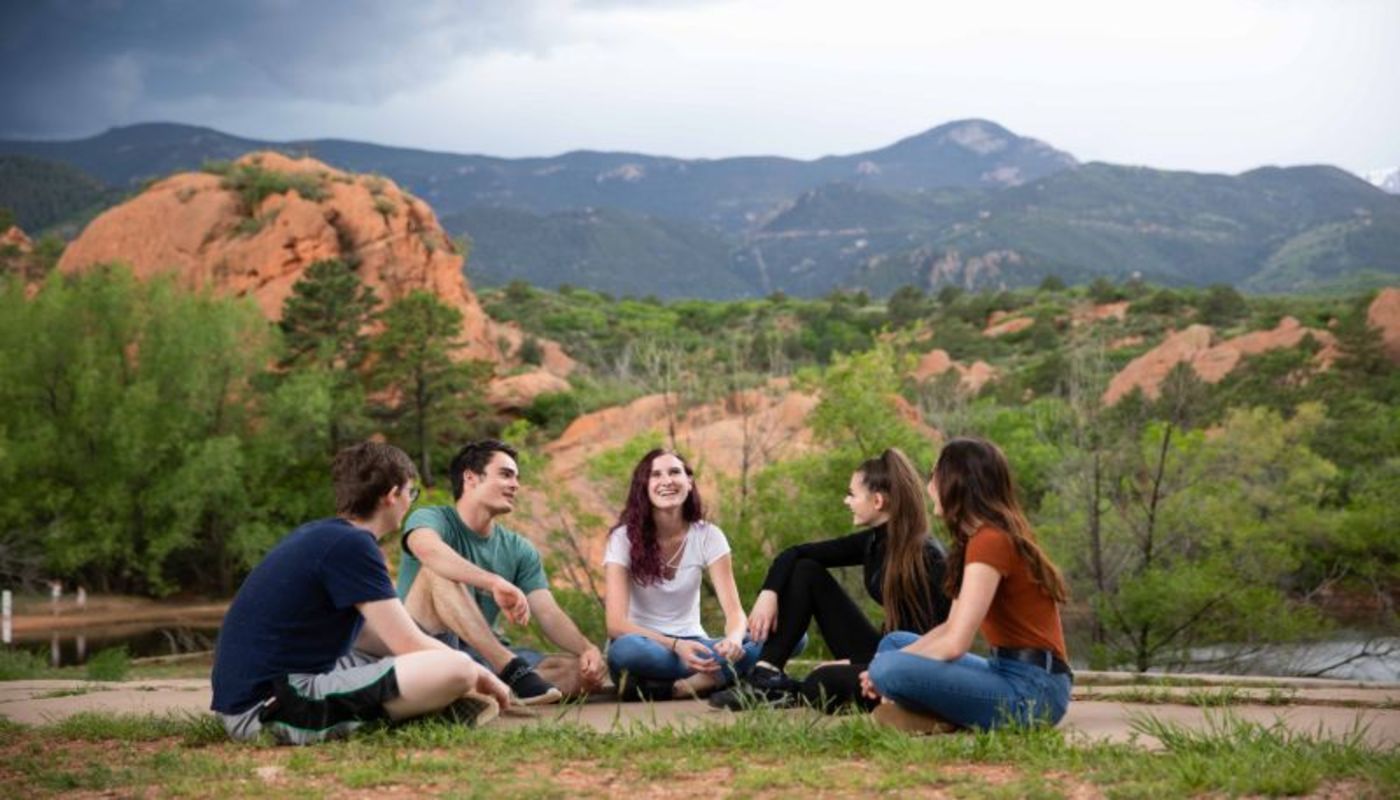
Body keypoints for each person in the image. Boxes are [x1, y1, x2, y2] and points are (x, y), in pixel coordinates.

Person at [211, 442, 511, 745]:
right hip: (270, 708)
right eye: (411, 493)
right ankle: (432, 707)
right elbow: (406, 643)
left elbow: (367, 636)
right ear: (392, 495)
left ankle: (434, 699)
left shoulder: (328, 535)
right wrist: (478, 673)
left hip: (261, 695)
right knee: (457, 669)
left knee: (439, 663)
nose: (410, 502)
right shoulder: (353, 545)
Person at [710, 447, 951, 711]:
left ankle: (786, 690)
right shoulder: (875, 541)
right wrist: (769, 593)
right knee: (805, 570)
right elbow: (795, 553)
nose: (847, 501)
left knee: (822, 682)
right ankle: (765, 676)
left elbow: (929, 640)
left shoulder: (925, 556)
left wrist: (859, 663)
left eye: (852, 494)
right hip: (885, 653)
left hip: (914, 665)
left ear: (877, 501)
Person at [862, 437, 1073, 732]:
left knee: (887, 666)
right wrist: (892, 661)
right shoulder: (977, 539)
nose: (929, 487)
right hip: (1005, 670)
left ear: (956, 482)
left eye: (934, 475)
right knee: (894, 644)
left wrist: (880, 671)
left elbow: (955, 644)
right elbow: (949, 627)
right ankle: (941, 717)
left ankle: (941, 714)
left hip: (1035, 693)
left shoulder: (991, 541)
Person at [398, 439, 607, 705]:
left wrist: (587, 648)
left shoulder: (519, 548)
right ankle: (507, 671)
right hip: (424, 644)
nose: (515, 484)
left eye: (516, 477)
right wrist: (493, 582)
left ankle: (485, 687)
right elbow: (428, 550)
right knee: (436, 571)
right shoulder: (431, 518)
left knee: (580, 670)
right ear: (471, 478)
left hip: (481, 652)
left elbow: (547, 611)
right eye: (506, 474)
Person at [604, 449, 796, 700]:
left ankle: (689, 683)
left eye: (675, 472)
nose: (667, 481)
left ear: (689, 481)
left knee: (793, 631)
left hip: (698, 644)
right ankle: (723, 674)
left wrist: (734, 640)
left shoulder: (708, 535)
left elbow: (735, 613)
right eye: (656, 475)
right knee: (625, 651)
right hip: (648, 646)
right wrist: (676, 645)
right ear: (643, 486)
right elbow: (616, 625)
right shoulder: (623, 538)